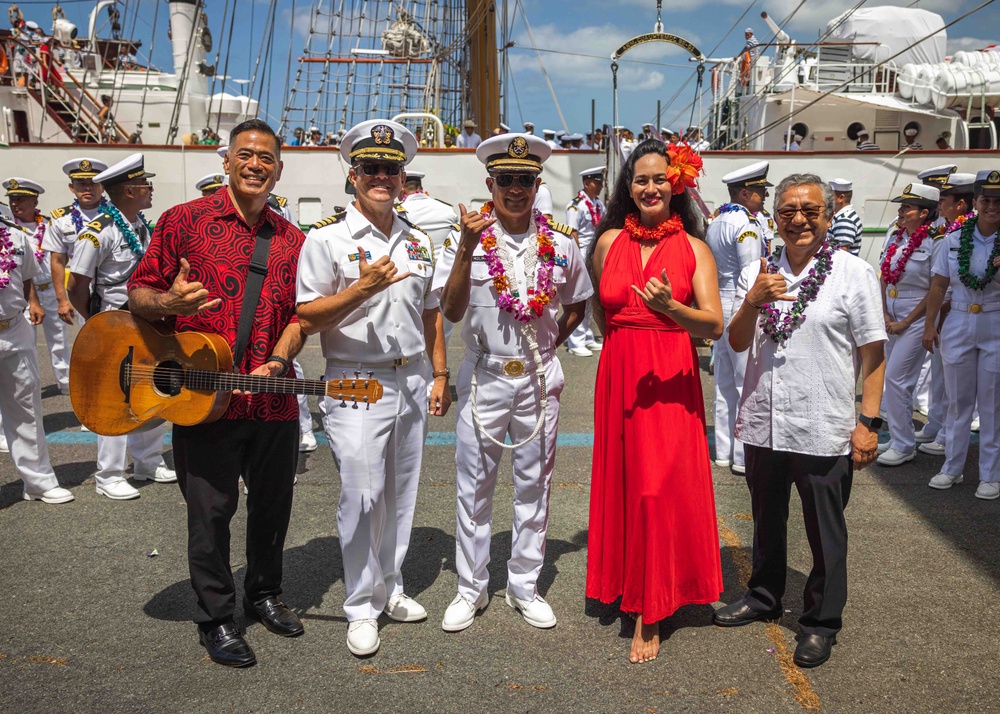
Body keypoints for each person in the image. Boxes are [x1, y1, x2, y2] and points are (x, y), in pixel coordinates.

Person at [128, 120, 307, 667]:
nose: (256, 165)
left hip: (272, 398)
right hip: (203, 398)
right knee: (209, 512)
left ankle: (264, 593)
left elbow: (302, 315)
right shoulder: (183, 221)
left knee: (273, 507)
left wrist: (279, 359)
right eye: (246, 155)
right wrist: (170, 306)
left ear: (279, 168)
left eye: (267, 158)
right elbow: (138, 292)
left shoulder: (294, 240)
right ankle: (216, 617)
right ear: (226, 161)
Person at [714, 173, 886, 669]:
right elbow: (738, 342)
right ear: (776, 219)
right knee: (767, 519)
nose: (798, 220)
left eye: (810, 210)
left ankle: (820, 623)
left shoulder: (854, 273)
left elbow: (873, 354)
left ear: (828, 217)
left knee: (825, 531)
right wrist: (753, 300)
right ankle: (764, 595)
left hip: (823, 424)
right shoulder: (760, 272)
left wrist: (868, 423)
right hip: (765, 422)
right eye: (788, 210)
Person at [296, 119, 450, 657]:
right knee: (361, 495)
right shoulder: (326, 238)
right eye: (370, 169)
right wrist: (360, 289)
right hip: (355, 376)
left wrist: (440, 374)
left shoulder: (419, 239)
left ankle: (391, 585)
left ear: (404, 177)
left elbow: (431, 313)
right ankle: (360, 605)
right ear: (353, 176)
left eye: (391, 169)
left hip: (410, 375)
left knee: (401, 491)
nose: (381, 177)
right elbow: (308, 315)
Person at [436, 133, 590, 634]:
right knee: (474, 487)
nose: (516, 189)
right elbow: (452, 309)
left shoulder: (562, 241)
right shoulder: (471, 237)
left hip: (538, 376)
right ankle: (470, 588)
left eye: (525, 180)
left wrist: (548, 347)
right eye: (506, 180)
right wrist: (464, 245)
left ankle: (524, 585)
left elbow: (578, 304)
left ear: (536, 183)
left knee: (535, 486)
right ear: (490, 183)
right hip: (484, 374)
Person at [585, 140, 723, 664]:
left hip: (670, 371)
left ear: (677, 184)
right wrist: (623, 339)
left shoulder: (696, 248)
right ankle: (626, 582)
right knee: (624, 482)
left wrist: (671, 311)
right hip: (620, 368)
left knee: (657, 487)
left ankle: (653, 606)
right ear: (629, 187)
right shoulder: (608, 242)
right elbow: (604, 308)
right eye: (640, 180)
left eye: (660, 179)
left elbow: (713, 324)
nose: (650, 188)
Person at [67, 154, 177, 501]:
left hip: (146, 321)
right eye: (146, 185)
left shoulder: (142, 226)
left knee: (151, 389)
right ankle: (110, 474)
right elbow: (77, 285)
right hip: (113, 323)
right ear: (129, 191)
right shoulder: (99, 232)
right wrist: (95, 321)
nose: (151, 190)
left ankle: (147, 461)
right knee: (112, 399)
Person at [922, 169, 1000, 500]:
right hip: (958, 321)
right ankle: (952, 468)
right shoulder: (952, 240)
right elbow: (938, 285)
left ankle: (990, 475)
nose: (992, 207)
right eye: (986, 200)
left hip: (996, 323)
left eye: (998, 201)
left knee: (993, 403)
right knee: (957, 401)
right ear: (976, 203)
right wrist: (929, 325)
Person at [0, 210, 74, 505]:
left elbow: (27, 275)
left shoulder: (15, 235)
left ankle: (38, 482)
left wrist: (32, 302)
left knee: (26, 407)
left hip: (14, 328)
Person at [705, 161, 772, 475]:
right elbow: (752, 272)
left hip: (718, 303)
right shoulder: (747, 223)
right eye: (759, 192)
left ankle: (723, 450)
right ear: (745, 193)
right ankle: (744, 455)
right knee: (747, 383)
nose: (763, 198)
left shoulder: (717, 220)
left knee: (724, 384)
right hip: (739, 304)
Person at [875, 183, 943, 467]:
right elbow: (883, 276)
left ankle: (904, 446)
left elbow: (937, 289)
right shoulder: (895, 237)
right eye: (901, 207)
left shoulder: (934, 242)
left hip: (917, 317)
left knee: (897, 380)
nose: (900, 212)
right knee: (893, 379)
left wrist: (906, 321)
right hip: (891, 314)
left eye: (907, 208)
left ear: (924, 213)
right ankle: (899, 438)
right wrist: (885, 315)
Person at [3, 178, 68, 394]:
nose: (15, 204)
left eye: (21, 199)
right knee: (26, 344)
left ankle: (66, 384)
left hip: (48, 289)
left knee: (59, 340)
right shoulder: (8, 230)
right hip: (24, 294)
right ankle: (30, 386)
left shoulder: (49, 225)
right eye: (12, 199)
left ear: (35, 200)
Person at [43, 158, 108, 330]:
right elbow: (57, 260)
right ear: (72, 188)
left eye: (93, 182)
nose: (88, 188)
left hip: (114, 286)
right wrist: (62, 300)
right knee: (91, 339)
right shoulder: (60, 220)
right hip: (81, 288)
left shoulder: (118, 215)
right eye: (81, 183)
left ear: (102, 186)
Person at [400, 168, 461, 342]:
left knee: (412, 335)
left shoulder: (399, 211)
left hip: (413, 279)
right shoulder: (447, 209)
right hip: (443, 281)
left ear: (402, 188)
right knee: (443, 336)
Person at [565, 166, 607, 356]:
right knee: (580, 296)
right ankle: (575, 340)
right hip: (581, 252)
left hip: (594, 252)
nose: (600, 186)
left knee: (591, 297)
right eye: (596, 183)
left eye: (601, 183)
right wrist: (577, 260)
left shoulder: (598, 204)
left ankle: (587, 335)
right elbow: (572, 232)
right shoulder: (576, 205)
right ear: (586, 183)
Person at [828, 178, 863, 255]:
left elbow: (841, 252)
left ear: (841, 198)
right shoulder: (843, 216)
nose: (827, 199)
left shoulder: (845, 220)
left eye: (830, 195)